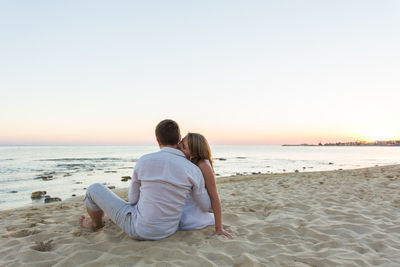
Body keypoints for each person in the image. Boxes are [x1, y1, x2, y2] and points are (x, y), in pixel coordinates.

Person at [79, 119, 212, 240]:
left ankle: (95, 224)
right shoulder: (193, 169)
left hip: (139, 230)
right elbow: (206, 206)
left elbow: (133, 200)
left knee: (93, 189)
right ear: (178, 139)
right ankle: (107, 218)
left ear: (158, 141)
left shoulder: (144, 161)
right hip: (169, 230)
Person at [178, 133, 232, 238]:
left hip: (196, 213)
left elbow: (214, 197)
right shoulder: (188, 161)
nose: (179, 146)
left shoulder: (204, 165)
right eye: (181, 142)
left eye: (183, 146)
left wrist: (219, 228)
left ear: (193, 154)